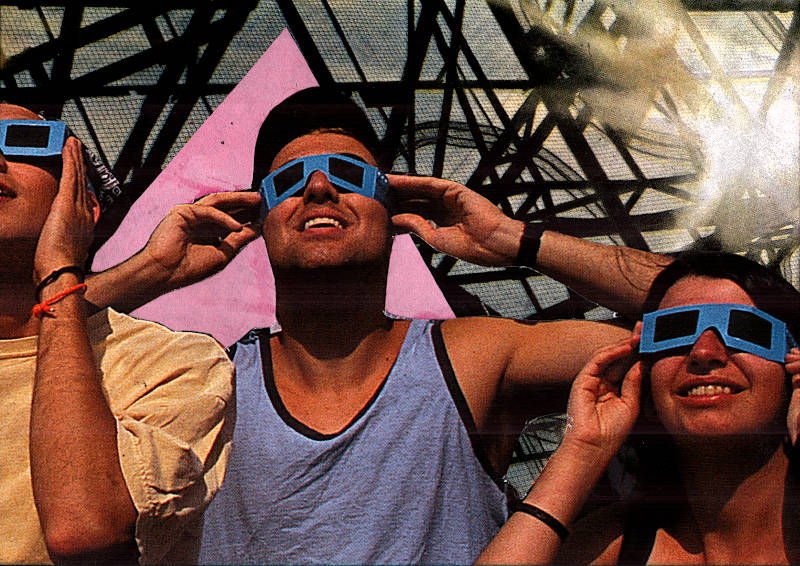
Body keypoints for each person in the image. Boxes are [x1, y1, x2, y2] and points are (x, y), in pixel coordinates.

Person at [85, 86, 682, 564]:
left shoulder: (474, 357)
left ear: (394, 207)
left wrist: (514, 239)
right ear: (258, 217)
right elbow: (25, 357)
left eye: (350, 175)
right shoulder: (203, 383)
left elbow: (718, 325)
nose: (320, 187)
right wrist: (149, 271)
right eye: (288, 183)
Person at [0, 103, 236, 564]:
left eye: (25, 142)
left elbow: (85, 530)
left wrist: (59, 270)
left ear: (85, 204)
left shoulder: (178, 362)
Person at [477, 251, 800, 564]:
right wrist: (582, 450)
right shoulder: (607, 546)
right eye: (674, 332)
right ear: (644, 375)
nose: (703, 352)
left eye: (745, 330)